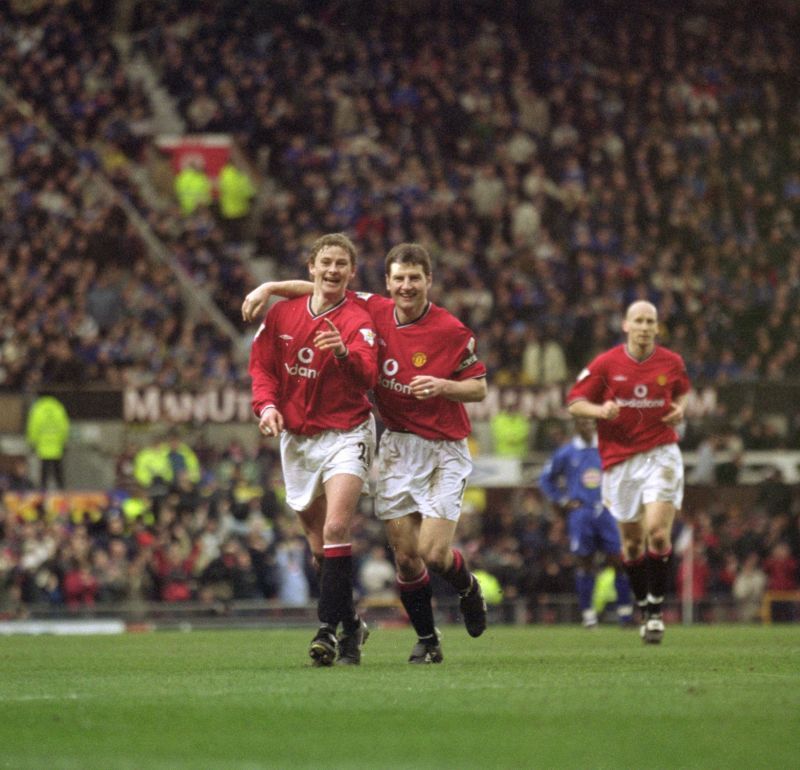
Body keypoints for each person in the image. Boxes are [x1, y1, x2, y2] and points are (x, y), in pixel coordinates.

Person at [243, 242, 489, 664]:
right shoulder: (372, 309)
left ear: (428, 281)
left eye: (415, 278)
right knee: (407, 559)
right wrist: (268, 287)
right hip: (396, 443)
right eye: (399, 278)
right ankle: (428, 641)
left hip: (444, 448)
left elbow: (479, 387)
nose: (406, 286)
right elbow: (321, 287)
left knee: (432, 553)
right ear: (388, 283)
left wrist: (444, 386)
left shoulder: (450, 329)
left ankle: (467, 587)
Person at [248, 232, 378, 666]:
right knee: (319, 547)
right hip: (298, 440)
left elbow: (368, 377)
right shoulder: (283, 316)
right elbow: (262, 369)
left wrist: (343, 353)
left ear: (351, 272)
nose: (333, 270)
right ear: (311, 268)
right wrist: (266, 407)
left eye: (342, 264)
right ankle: (351, 622)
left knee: (337, 530)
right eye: (326, 262)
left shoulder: (359, 319)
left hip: (347, 433)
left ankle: (330, 630)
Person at [567, 300, 690, 644]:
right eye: (639, 320)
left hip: (661, 454)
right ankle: (643, 603)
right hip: (620, 463)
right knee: (633, 545)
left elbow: (683, 394)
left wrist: (680, 410)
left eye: (651, 321)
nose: (645, 326)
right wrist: (599, 410)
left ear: (656, 327)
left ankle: (655, 611)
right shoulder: (606, 364)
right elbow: (575, 402)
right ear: (626, 325)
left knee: (658, 534)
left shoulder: (672, 362)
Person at [539, 417, 633, 628]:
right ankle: (588, 616)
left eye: (592, 423)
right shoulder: (566, 452)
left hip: (607, 510)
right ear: (576, 426)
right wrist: (562, 500)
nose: (589, 427)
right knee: (585, 562)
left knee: (618, 559)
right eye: (584, 423)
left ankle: (626, 614)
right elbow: (546, 479)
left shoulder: (608, 447)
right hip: (581, 513)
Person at [25, 393, 70, 490]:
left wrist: (32, 442)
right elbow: (64, 427)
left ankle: (42, 491)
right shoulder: (58, 407)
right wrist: (64, 441)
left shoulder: (38, 408)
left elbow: (33, 427)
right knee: (58, 471)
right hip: (56, 445)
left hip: (42, 446)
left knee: (44, 472)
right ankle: (61, 490)